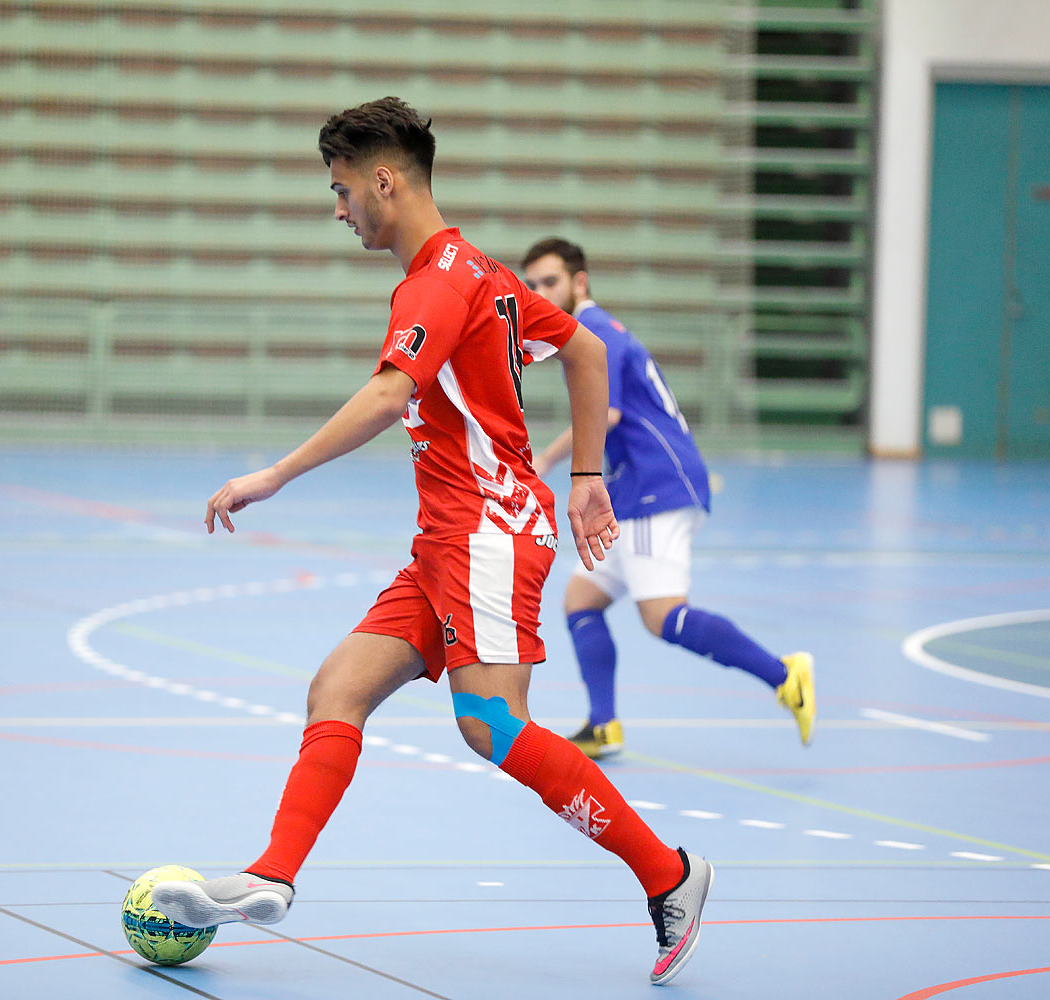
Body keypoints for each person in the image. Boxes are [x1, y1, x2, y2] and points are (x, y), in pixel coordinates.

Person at [151, 98, 713, 986]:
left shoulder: (436, 284)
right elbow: (588, 356)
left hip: (489, 529)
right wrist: (585, 479)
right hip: (446, 538)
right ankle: (272, 876)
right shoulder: (479, 270)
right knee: (337, 686)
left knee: (489, 725)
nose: (338, 211)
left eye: (342, 191)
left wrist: (274, 474)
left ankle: (670, 877)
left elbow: (386, 397)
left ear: (385, 180)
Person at [521, 237, 815, 758]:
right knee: (580, 600)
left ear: (579, 283)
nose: (540, 292)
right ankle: (603, 724)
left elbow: (604, 416)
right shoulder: (587, 332)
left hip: (656, 484)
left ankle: (784, 674)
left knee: (662, 617)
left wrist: (543, 460)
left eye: (550, 282)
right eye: (532, 286)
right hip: (632, 488)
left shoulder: (595, 330)